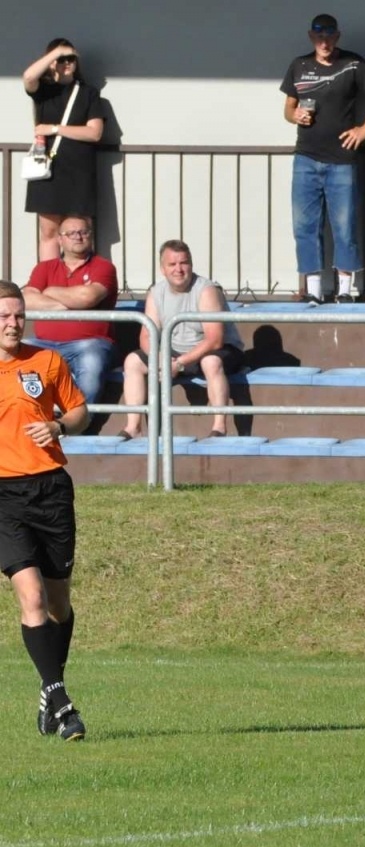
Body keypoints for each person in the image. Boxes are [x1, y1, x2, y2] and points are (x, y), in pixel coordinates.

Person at [0, 280, 89, 741]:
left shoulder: (47, 361)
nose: (13, 323)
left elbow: (79, 412)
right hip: (3, 496)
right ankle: (64, 706)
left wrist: (58, 426)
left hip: (51, 490)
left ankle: (48, 687)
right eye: (4, 316)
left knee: (58, 604)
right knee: (31, 597)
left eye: (18, 315)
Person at [280, 13, 365, 304]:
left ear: (337, 36)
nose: (324, 42)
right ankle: (314, 289)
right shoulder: (299, 65)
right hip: (306, 157)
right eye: (319, 37)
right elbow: (288, 109)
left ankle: (345, 290)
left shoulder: (352, 63)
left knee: (344, 225)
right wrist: (295, 115)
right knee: (305, 225)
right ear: (311, 37)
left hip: (342, 160)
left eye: (329, 36)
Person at [118, 241, 243, 440]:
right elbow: (146, 336)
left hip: (213, 350)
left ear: (191, 265)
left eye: (184, 263)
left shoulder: (207, 290)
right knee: (132, 361)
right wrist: (160, 359)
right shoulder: (156, 293)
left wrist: (179, 363)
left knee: (211, 361)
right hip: (173, 352)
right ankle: (133, 426)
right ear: (162, 269)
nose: (179, 269)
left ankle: (219, 428)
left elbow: (215, 340)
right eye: (172, 264)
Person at [21, 39, 107, 262]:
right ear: (51, 62)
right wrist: (56, 52)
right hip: (47, 170)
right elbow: (29, 77)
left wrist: (54, 128)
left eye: (70, 59)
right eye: (61, 59)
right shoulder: (44, 90)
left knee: (80, 232)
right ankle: (50, 278)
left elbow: (94, 133)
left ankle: (79, 278)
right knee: (49, 231)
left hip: (79, 170)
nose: (66, 63)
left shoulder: (88, 93)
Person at [21, 214, 117, 405]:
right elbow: (26, 299)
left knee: (91, 364)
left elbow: (88, 297)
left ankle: (78, 419)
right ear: (60, 239)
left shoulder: (103, 267)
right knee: (13, 352)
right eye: (71, 233)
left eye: (83, 232)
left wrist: (49, 291)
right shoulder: (44, 268)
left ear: (90, 236)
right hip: (44, 343)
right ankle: (30, 417)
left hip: (90, 344)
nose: (78, 237)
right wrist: (68, 306)